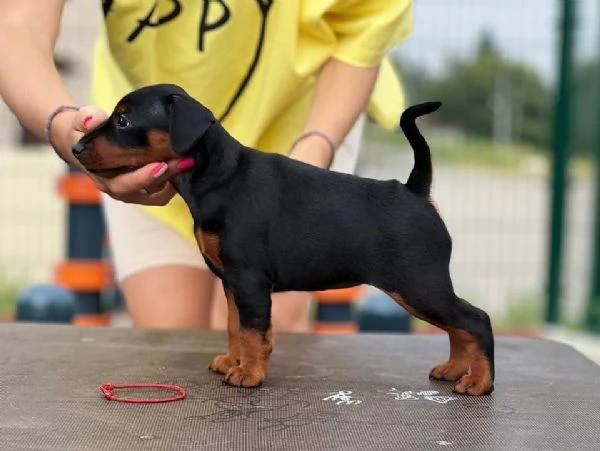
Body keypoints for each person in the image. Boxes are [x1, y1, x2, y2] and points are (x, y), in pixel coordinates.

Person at [0, 0, 412, 332]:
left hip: (302, 117)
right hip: (149, 138)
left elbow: (361, 25)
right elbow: (16, 21)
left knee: (259, 320)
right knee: (170, 339)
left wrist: (315, 148)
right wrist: (59, 125)